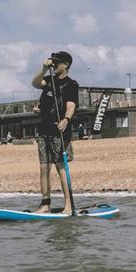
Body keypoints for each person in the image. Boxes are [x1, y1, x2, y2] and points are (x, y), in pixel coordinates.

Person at [31, 51, 79, 214]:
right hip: (44, 130)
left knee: (61, 168)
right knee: (44, 168)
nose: (54, 65)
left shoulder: (71, 84)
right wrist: (44, 69)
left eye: (57, 63)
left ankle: (68, 205)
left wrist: (66, 119)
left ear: (65, 65)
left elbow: (71, 105)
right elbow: (35, 83)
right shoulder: (49, 80)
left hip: (59, 131)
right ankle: (45, 204)